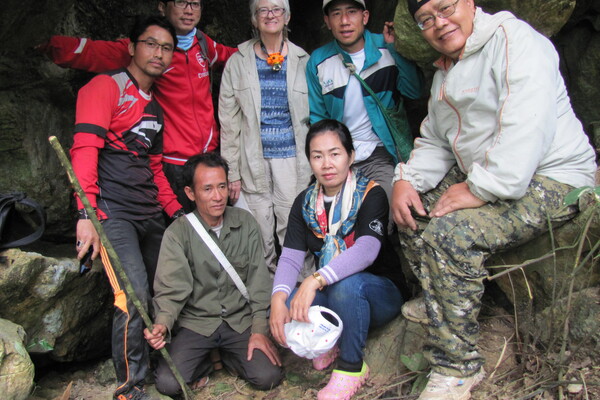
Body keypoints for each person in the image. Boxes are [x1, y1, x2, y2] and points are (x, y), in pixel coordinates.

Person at [392, 1, 597, 399]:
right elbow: (437, 140)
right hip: (487, 172)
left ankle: (457, 368)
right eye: (426, 20)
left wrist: (477, 190)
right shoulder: (445, 71)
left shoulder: (515, 41)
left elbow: (526, 127)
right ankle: (447, 301)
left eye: (445, 8)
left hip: (551, 174)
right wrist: (406, 180)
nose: (439, 23)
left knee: (452, 233)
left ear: (469, 3)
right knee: (413, 211)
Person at [72, 16, 182, 400]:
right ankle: (128, 387)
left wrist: (176, 213)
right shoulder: (106, 87)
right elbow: (84, 151)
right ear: (132, 47)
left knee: (166, 289)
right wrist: (85, 215)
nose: (159, 53)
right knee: (132, 295)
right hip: (111, 213)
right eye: (151, 44)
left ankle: (160, 368)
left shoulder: (155, 107)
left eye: (167, 47)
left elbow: (155, 169)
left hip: (148, 213)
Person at [40, 0, 237, 211]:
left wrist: (269, 54)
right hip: (171, 161)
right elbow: (94, 52)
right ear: (163, 7)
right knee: (177, 231)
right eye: (181, 3)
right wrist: (47, 45)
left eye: (195, 4)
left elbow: (236, 57)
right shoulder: (147, 51)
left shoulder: (204, 45)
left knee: (210, 230)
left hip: (208, 156)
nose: (189, 10)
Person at [270, 119, 408, 400]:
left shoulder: (372, 193)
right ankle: (330, 340)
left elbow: (367, 250)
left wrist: (315, 279)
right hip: (334, 292)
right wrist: (276, 301)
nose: (326, 164)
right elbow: (291, 258)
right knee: (287, 299)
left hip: (379, 294)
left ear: (351, 156)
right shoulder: (305, 202)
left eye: (335, 154)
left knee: (348, 285)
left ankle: (352, 367)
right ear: (309, 161)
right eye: (317, 156)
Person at [143, 152, 283, 396]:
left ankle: (228, 356)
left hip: (239, 321)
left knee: (268, 376)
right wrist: (162, 325)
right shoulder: (178, 233)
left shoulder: (245, 222)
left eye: (222, 186)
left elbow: (258, 283)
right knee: (169, 384)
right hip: (197, 324)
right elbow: (171, 290)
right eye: (207, 189)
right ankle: (207, 359)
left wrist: (259, 331)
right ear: (190, 193)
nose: (218, 197)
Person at [219, 0, 311, 275]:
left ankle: (301, 288)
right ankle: (265, 295)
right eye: (263, 10)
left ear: (288, 16)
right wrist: (231, 172)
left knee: (294, 225)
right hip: (252, 158)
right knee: (258, 231)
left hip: (293, 160)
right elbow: (229, 121)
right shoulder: (237, 62)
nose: (270, 15)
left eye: (277, 9)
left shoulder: (303, 60)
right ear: (253, 19)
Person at [306, 0, 423, 205]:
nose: (344, 21)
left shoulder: (385, 47)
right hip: (338, 155)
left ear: (365, 17)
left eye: (352, 12)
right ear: (327, 21)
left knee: (382, 209)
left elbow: (414, 91)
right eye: (336, 14)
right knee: (333, 215)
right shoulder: (318, 61)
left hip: (379, 152)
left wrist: (396, 48)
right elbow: (318, 117)